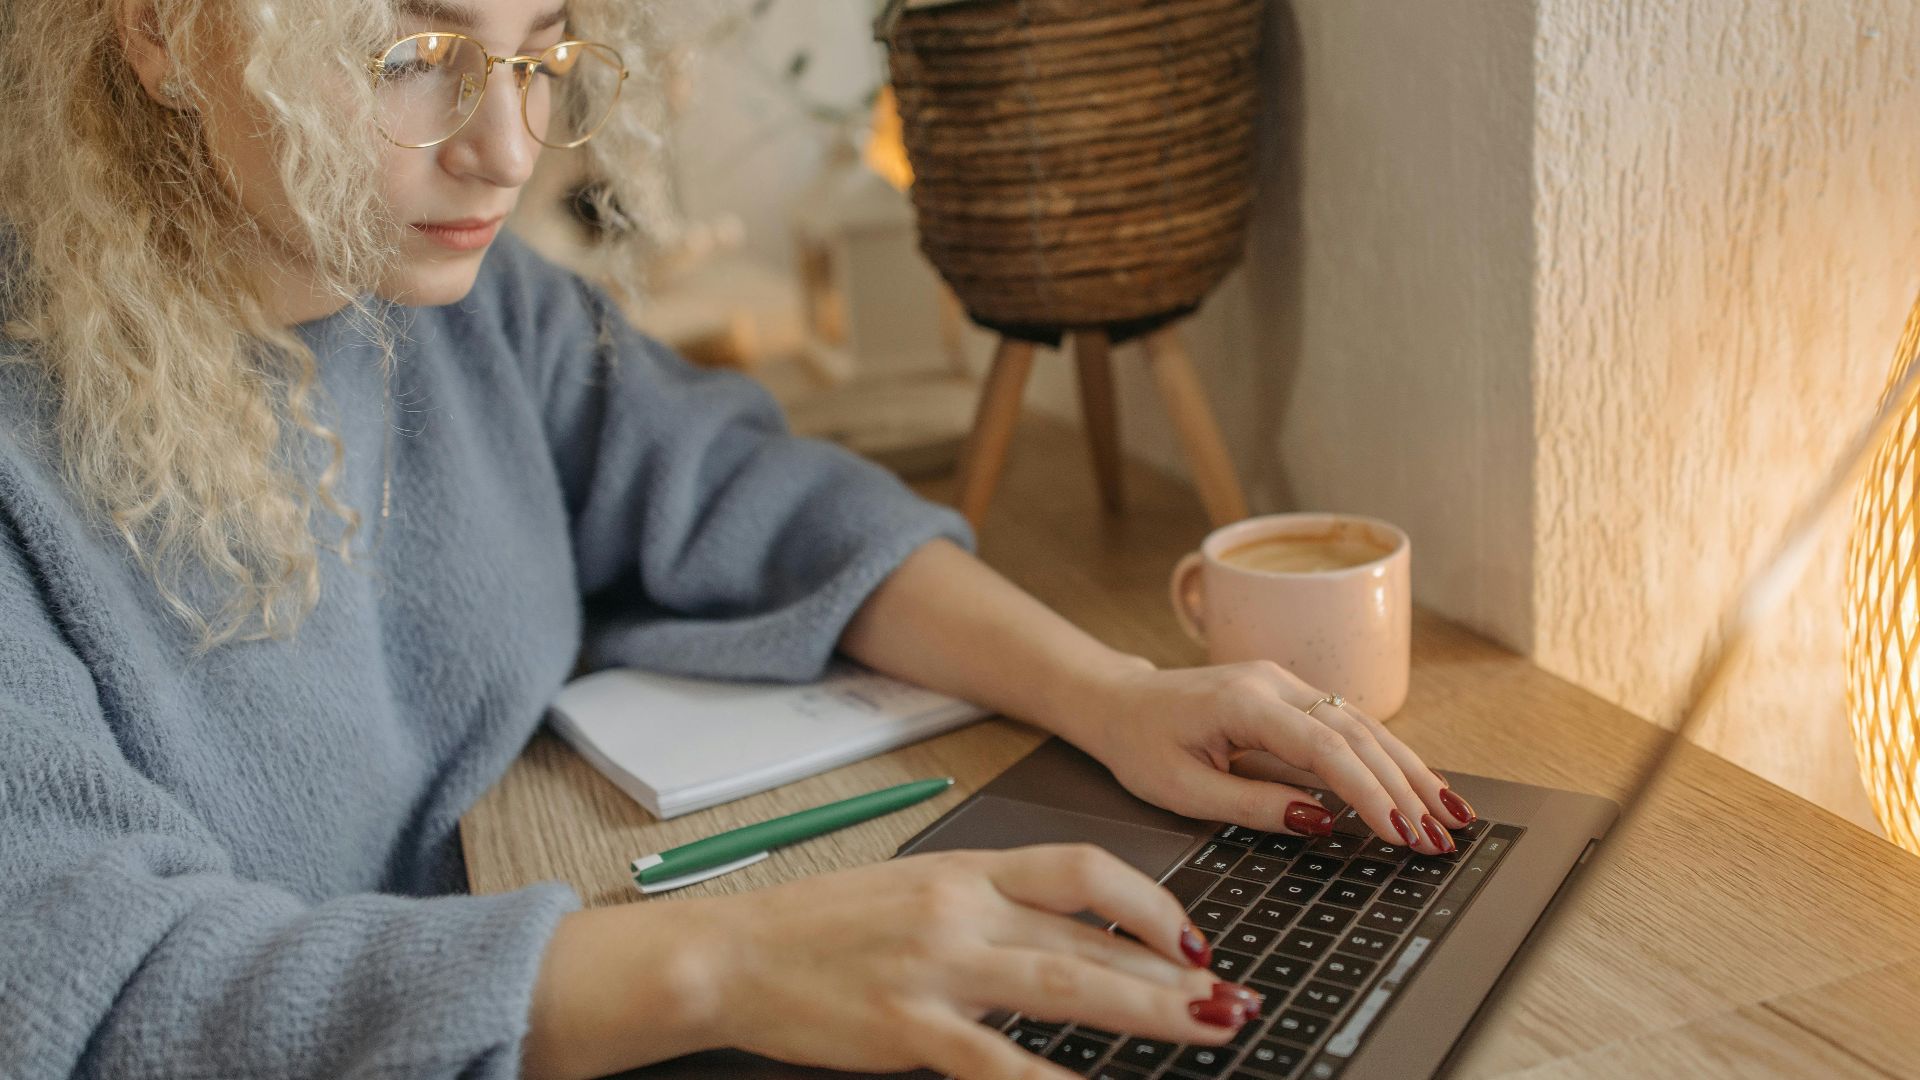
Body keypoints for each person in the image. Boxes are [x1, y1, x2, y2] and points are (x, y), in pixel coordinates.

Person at [0, 1, 1475, 1078]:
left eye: (538, 47)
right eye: (409, 55)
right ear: (158, 28)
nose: (505, 148)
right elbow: (101, 989)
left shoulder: (460, 305)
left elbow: (735, 486)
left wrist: (1113, 694)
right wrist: (728, 962)